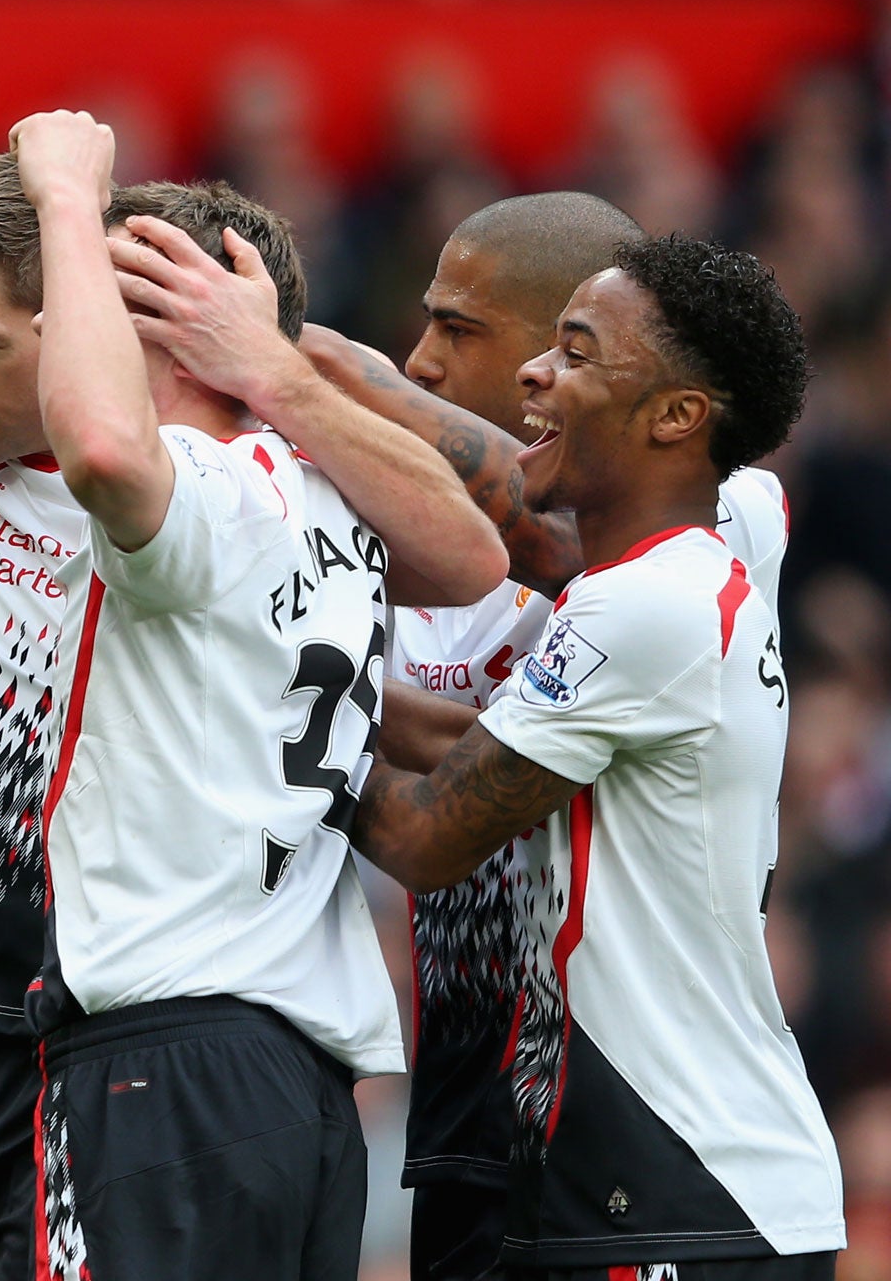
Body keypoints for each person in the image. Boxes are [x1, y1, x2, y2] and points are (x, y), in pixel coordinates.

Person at [0, 108, 499, 1281]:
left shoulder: (196, 494)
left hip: (159, 1069)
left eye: (84, 295)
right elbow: (469, 555)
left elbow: (104, 448)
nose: (58, 323)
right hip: (295, 1090)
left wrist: (62, 193)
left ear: (161, 316)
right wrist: (277, 373)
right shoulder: (324, 488)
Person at [292, 194, 789, 1281]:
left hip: (662, 1145)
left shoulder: (720, 517)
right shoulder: (396, 537)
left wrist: (291, 354)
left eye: (458, 330)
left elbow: (547, 539)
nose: (416, 363)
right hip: (493, 1125)